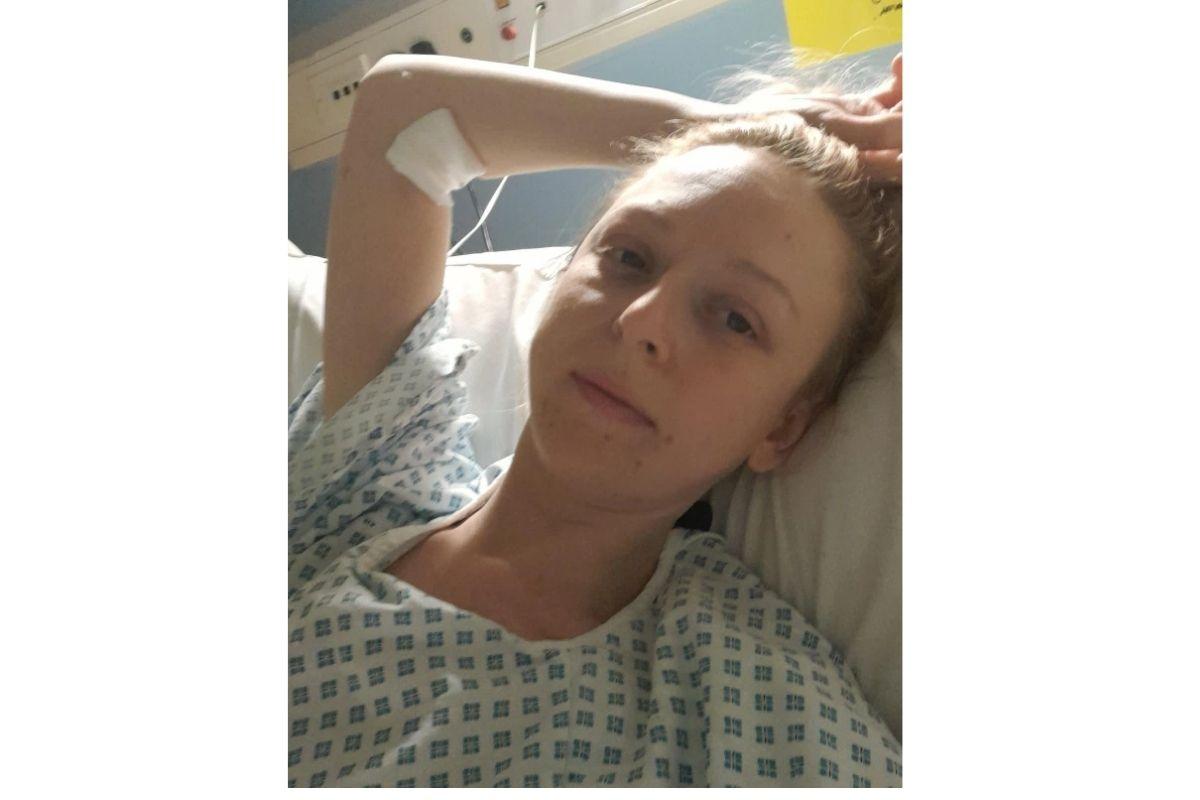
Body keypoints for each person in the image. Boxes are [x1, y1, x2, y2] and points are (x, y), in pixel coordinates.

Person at [288, 49, 902, 788]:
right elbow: (404, 113)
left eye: (735, 319)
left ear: (782, 427)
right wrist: (718, 127)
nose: (643, 320)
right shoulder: (373, 474)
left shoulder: (751, 706)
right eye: (630, 257)